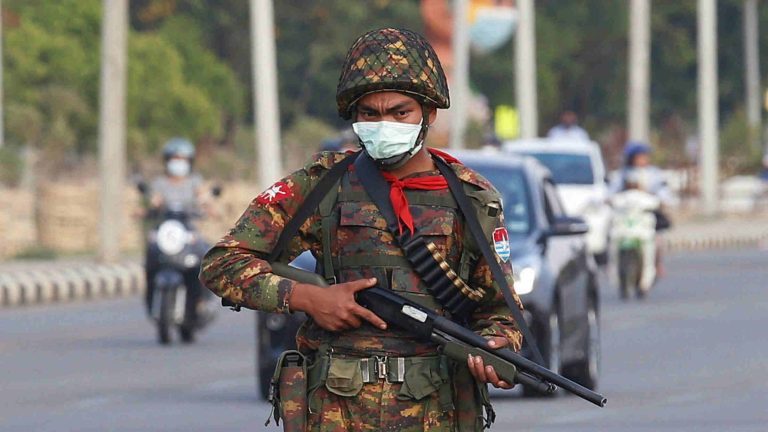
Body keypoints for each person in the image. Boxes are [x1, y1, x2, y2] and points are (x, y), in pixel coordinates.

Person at [200, 28, 524, 431]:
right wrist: (306, 297)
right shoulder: (322, 184)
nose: (383, 123)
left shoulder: (472, 198)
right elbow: (222, 264)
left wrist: (497, 347)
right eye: (370, 114)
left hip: (434, 410)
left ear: (429, 114)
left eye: (399, 112)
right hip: (337, 408)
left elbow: (501, 311)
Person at [144, 137, 213, 315]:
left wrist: (207, 205)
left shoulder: (194, 181)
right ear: (166, 161)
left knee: (204, 256)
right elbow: (154, 200)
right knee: (151, 252)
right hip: (166, 230)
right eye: (174, 160)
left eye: (182, 160)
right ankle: (150, 296)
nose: (178, 164)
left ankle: (200, 300)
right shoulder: (159, 183)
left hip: (187, 230)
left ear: (189, 162)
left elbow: (203, 197)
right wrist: (151, 206)